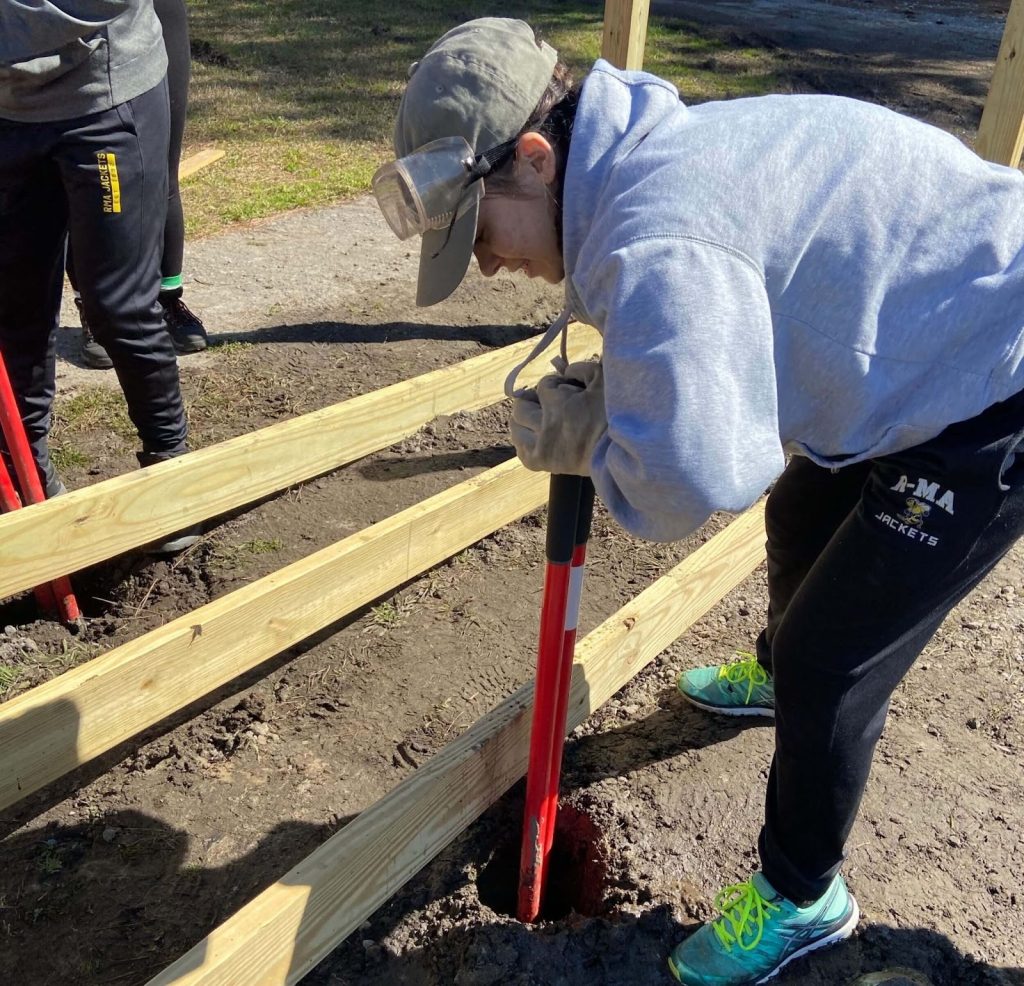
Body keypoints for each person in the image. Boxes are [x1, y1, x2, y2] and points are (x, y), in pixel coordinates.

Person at [372, 17, 1024, 986]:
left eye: (481, 234)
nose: (487, 265)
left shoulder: (657, 235)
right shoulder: (644, 156)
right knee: (804, 512)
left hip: (989, 384)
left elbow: (696, 476)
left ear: (539, 158)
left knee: (832, 660)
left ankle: (805, 892)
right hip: (908, 341)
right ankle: (773, 678)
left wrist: (595, 438)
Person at [0, 0, 199, 553]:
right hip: (9, 112)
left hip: (104, 98)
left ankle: (170, 471)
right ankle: (27, 477)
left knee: (118, 307)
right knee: (15, 309)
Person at [69, 0, 207, 369]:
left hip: (156, 12)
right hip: (80, 20)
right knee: (84, 182)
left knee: (162, 173)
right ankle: (95, 315)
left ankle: (167, 300)